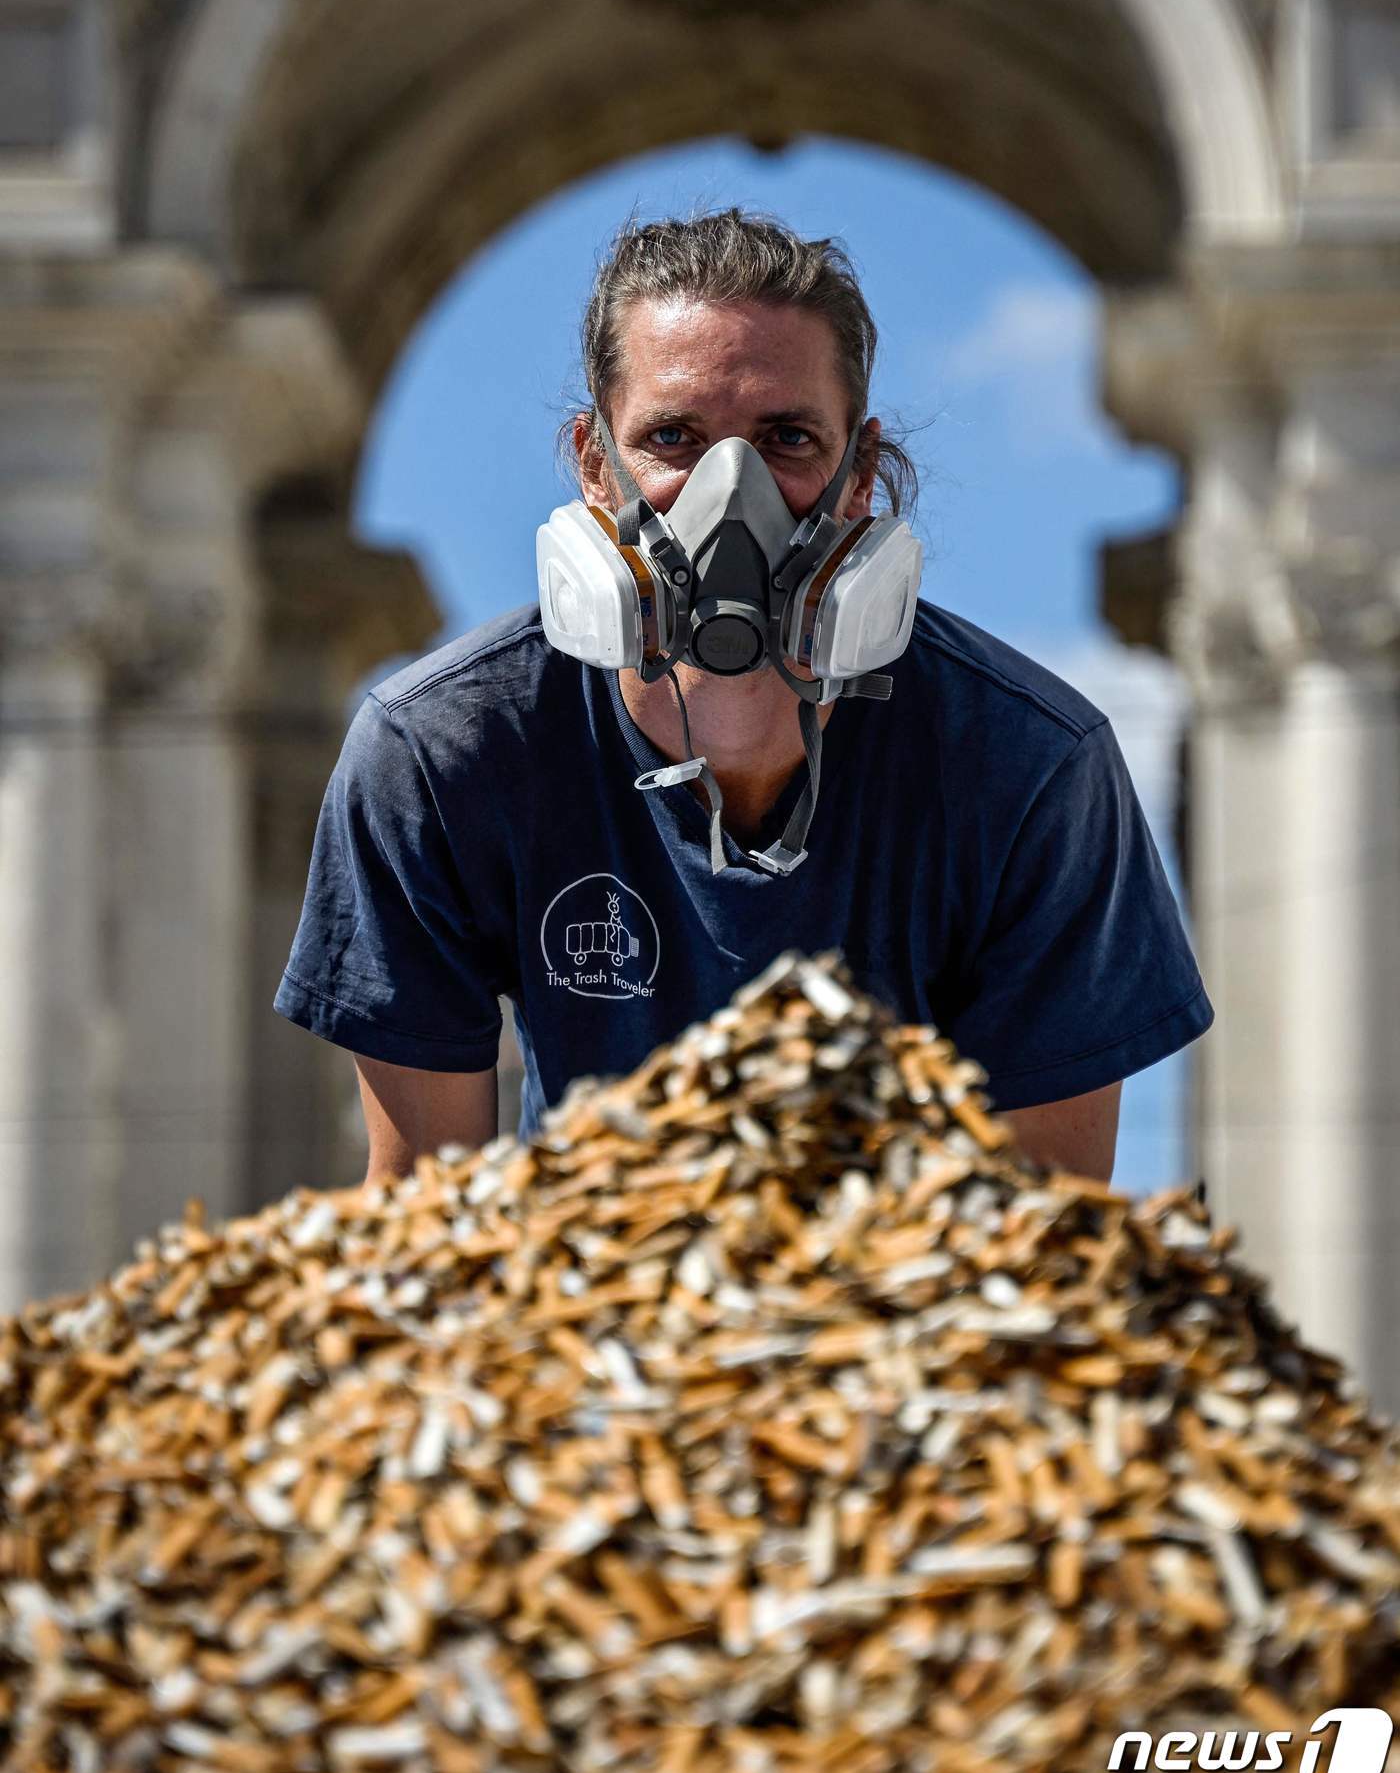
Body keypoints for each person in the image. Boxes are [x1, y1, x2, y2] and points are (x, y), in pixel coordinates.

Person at [274, 208, 1213, 1188]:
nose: (730, 496)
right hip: (572, 1285)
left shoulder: (1029, 767)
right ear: (594, 464)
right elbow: (424, 1208)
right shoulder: (441, 755)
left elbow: (1046, 1227)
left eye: (787, 439)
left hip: (907, 1288)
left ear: (861, 475)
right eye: (672, 438)